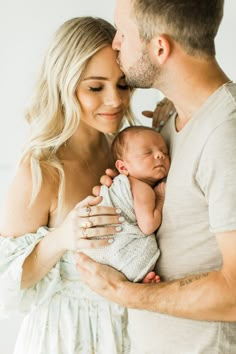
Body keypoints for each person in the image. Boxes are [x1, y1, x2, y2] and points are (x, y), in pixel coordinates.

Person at [75, 1, 236, 353]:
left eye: (123, 33)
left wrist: (124, 292)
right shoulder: (168, 123)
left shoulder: (227, 135)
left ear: (159, 47)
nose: (115, 44)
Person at [0, 16, 135, 354]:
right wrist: (62, 237)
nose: (115, 100)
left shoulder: (122, 153)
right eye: (95, 87)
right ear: (65, 83)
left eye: (122, 84)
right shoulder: (42, 171)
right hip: (62, 339)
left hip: (126, 334)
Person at [82, 125, 169, 282]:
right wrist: (161, 198)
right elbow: (148, 226)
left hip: (96, 251)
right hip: (117, 248)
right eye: (147, 153)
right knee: (144, 247)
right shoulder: (143, 189)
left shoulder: (120, 183)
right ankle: (137, 274)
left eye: (165, 152)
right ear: (122, 167)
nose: (159, 155)